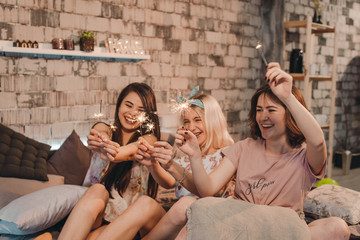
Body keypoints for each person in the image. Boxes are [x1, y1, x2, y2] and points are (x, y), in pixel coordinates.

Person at [142, 63, 350, 240]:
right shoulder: (243, 147)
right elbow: (207, 190)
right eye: (259, 110)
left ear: (290, 114)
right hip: (240, 222)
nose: (263, 117)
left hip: (281, 227)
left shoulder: (303, 155)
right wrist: (195, 155)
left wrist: (288, 97)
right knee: (194, 213)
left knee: (337, 227)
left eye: (271, 110)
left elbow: (318, 142)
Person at [55, 82, 167, 240]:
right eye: (128, 105)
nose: (133, 113)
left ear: (148, 116)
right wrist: (102, 141)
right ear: (119, 105)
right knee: (97, 189)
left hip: (129, 220)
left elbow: (128, 153)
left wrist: (111, 151)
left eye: (141, 111)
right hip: (99, 213)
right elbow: (101, 131)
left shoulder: (149, 138)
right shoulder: (105, 128)